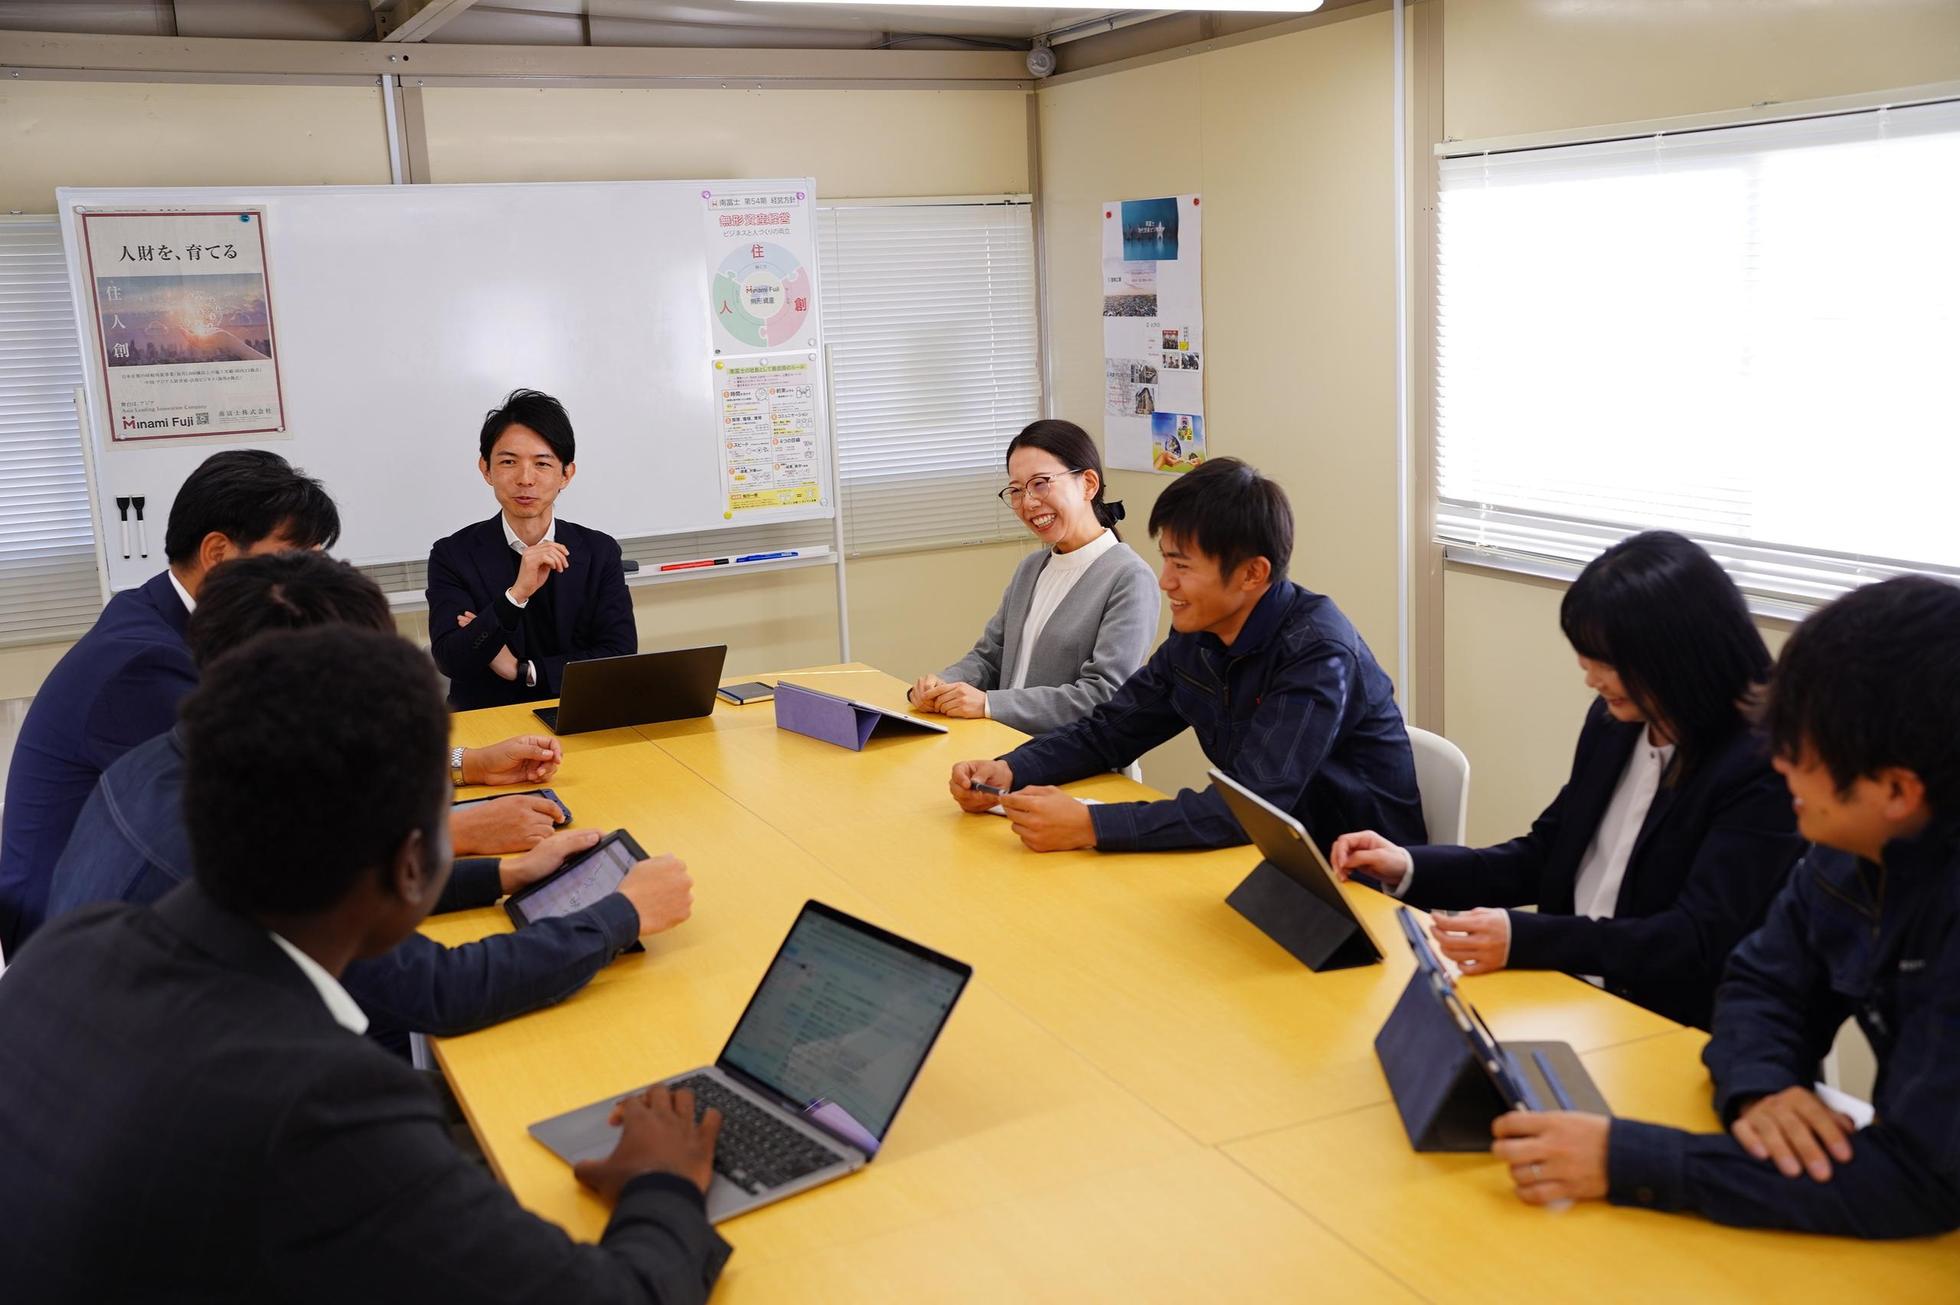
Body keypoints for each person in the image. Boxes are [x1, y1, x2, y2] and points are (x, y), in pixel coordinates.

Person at [0, 625, 730, 1298]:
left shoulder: (75, 944)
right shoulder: (327, 1110)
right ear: (413, 864)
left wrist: (502, 873)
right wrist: (663, 1180)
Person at [44, 551, 696, 1052]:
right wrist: (621, 914)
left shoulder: (168, 760)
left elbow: (350, 895)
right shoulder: (248, 846)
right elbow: (440, 988)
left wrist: (504, 874)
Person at [1489, 574, 1960, 1238]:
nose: (1778, 765)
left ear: (1897, 791)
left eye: (1799, 750)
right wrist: (1762, 1084)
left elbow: (1922, 1179)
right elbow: (1763, 980)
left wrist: (1628, 1158)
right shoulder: (1852, 843)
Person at [1331, 532, 1804, 1029]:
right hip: (1566, 995)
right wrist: (1408, 864)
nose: (1591, 679)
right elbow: (1545, 855)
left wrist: (1526, 939)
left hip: (1669, 1023)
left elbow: (1696, 940)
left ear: (1676, 656)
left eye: (1607, 663)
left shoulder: (1761, 768)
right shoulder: (1615, 724)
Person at [949, 457, 1425, 853]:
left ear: (1252, 574)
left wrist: (1091, 826)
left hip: (1356, 884)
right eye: (1165, 559)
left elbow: (1251, 807)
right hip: (1265, 861)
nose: (1165, 582)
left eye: (1182, 565)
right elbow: (1111, 730)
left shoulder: (1316, 654)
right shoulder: (1199, 633)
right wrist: (1012, 769)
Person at [0, 448, 339, 953]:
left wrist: (452, 767)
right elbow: (264, 815)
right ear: (217, 552)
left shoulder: (173, 617)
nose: (313, 582)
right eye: (295, 560)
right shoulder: (142, 664)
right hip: (80, 946)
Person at [907, 419, 1158, 734]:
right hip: (1007, 745)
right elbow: (989, 658)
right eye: (1016, 490)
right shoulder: (1031, 568)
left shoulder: (1130, 578)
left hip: (1070, 757)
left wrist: (989, 704)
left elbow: (1102, 696)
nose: (1028, 503)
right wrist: (942, 684)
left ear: (1088, 484)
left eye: (1040, 483)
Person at [427, 388, 636, 711]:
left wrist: (522, 670)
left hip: (576, 713)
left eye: (542, 463)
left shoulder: (599, 551)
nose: (525, 479)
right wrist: (516, 596)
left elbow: (618, 655)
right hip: (488, 722)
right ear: (486, 469)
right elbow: (453, 659)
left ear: (566, 474)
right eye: (509, 462)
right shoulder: (452, 554)